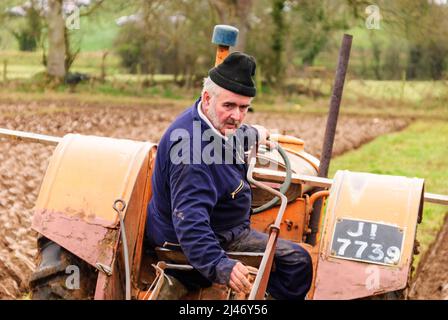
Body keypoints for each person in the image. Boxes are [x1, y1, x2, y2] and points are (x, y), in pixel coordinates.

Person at [145, 52, 313, 300]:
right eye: (229, 106)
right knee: (297, 261)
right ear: (207, 98)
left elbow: (226, 134)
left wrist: (254, 133)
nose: (237, 115)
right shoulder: (192, 155)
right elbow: (190, 225)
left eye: (244, 108)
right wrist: (221, 265)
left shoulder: (207, 120)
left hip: (221, 226)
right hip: (192, 243)